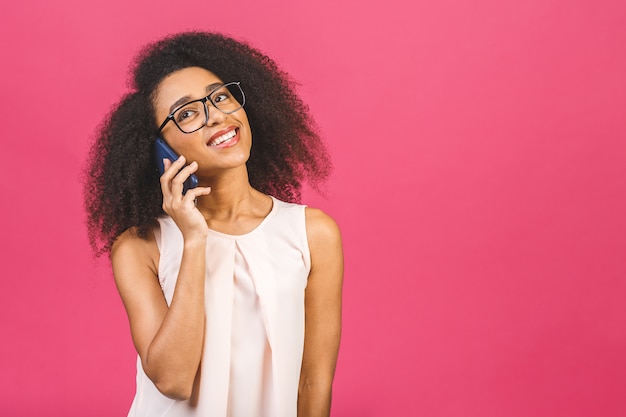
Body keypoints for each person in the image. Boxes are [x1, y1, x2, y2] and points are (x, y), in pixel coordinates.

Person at [84, 32, 343, 417]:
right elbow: (172, 380)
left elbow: (314, 380)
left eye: (220, 96)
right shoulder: (139, 246)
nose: (217, 115)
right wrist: (193, 239)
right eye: (187, 113)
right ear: (158, 150)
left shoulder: (313, 234)